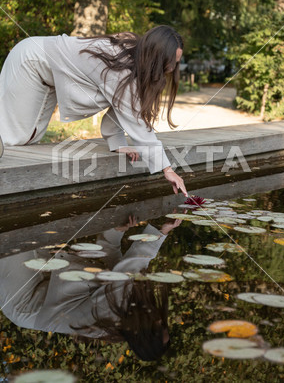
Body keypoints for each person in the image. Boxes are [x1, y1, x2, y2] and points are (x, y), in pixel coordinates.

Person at [0, 25, 187, 196]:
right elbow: (135, 118)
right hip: (30, 62)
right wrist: (167, 169)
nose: (171, 68)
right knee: (14, 138)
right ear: (155, 54)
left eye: (176, 63)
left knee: (30, 137)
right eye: (169, 61)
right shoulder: (121, 66)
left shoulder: (131, 62)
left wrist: (118, 144)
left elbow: (121, 105)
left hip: (47, 75)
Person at [0, 217, 182, 361]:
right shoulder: (128, 308)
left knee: (9, 233)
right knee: (25, 223)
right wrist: (117, 230)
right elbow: (113, 263)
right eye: (163, 325)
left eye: (156, 329)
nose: (159, 321)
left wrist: (161, 231)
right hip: (48, 286)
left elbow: (129, 268)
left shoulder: (112, 317)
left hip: (25, 303)